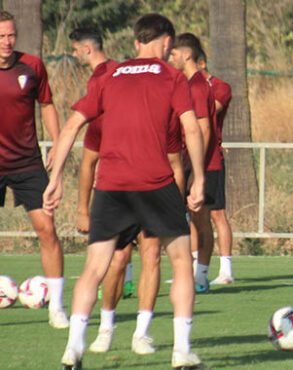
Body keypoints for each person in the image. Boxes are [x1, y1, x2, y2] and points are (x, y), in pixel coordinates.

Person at [44, 13, 206, 369]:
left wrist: (55, 178)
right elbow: (191, 131)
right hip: (155, 184)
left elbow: (73, 125)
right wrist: (199, 181)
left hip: (111, 187)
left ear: (137, 42)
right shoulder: (173, 76)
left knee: (93, 269)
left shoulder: (110, 75)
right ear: (166, 42)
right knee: (181, 262)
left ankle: (73, 348)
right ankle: (181, 351)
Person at [68, 27, 186, 355]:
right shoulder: (108, 112)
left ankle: (141, 333)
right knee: (116, 260)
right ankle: (105, 327)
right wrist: (81, 208)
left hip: (155, 189)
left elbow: (175, 160)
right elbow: (89, 162)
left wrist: (178, 200)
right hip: (118, 190)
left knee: (151, 255)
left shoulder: (167, 113)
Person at [0, 10, 69, 329]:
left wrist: (57, 142)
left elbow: (47, 105)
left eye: (11, 35)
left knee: (48, 230)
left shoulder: (33, 65)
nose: (7, 41)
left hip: (28, 163)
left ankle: (57, 307)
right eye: (1, 36)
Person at [168, 33, 218, 294]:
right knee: (190, 220)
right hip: (191, 163)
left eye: (174, 54)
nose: (170, 57)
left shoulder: (197, 85)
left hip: (205, 165)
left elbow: (204, 128)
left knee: (201, 221)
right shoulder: (187, 83)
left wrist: (196, 171)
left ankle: (201, 276)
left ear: (186, 55)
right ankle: (191, 273)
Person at [197, 53, 234, 285]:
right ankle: (196, 269)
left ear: (201, 62)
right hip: (190, 159)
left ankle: (226, 270)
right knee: (193, 215)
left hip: (212, 159)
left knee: (217, 213)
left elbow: (210, 113)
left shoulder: (220, 87)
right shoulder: (186, 86)